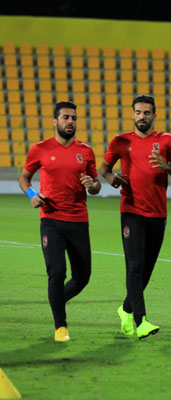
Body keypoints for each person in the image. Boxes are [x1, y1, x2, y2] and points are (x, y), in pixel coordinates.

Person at [99, 95, 171, 339]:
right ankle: (141, 321)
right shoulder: (121, 141)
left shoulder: (167, 141)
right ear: (132, 114)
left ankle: (126, 309)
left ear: (154, 116)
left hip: (158, 214)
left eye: (146, 113)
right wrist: (111, 178)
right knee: (135, 267)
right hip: (131, 211)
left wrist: (167, 166)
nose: (141, 117)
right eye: (138, 112)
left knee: (146, 270)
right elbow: (104, 168)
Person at [19, 101, 102, 342]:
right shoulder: (40, 149)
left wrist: (92, 185)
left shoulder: (86, 151)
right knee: (56, 272)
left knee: (82, 277)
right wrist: (32, 195)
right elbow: (24, 177)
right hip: (51, 220)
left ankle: (55, 300)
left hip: (78, 220)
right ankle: (60, 326)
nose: (70, 121)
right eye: (66, 117)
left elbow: (96, 185)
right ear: (55, 121)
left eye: (74, 118)